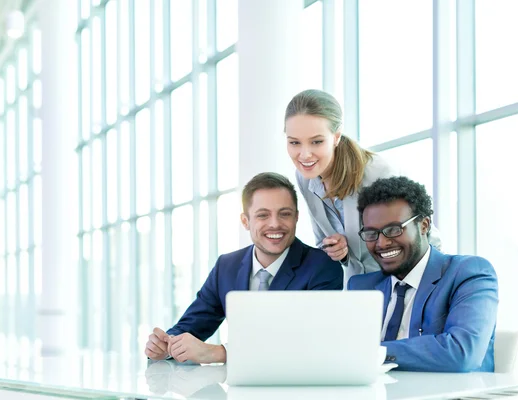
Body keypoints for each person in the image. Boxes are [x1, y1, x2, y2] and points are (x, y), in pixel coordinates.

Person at [145, 172, 343, 364]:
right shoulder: (226, 266)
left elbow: (309, 341)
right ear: (245, 221)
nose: (275, 224)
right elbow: (192, 325)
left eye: (285, 214)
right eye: (263, 215)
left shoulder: (322, 266)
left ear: (297, 217)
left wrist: (220, 353)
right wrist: (166, 346)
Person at [284, 89, 441, 282]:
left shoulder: (379, 173)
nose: (305, 154)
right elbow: (324, 243)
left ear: (336, 137)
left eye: (316, 141)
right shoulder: (305, 177)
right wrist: (339, 251)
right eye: (294, 143)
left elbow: (425, 238)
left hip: (405, 283)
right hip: (361, 287)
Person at [348, 176, 498, 372]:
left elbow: (462, 352)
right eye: (371, 233)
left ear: (424, 225)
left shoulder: (468, 274)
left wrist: (376, 352)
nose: (382, 243)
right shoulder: (361, 286)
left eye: (393, 230)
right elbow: (346, 354)